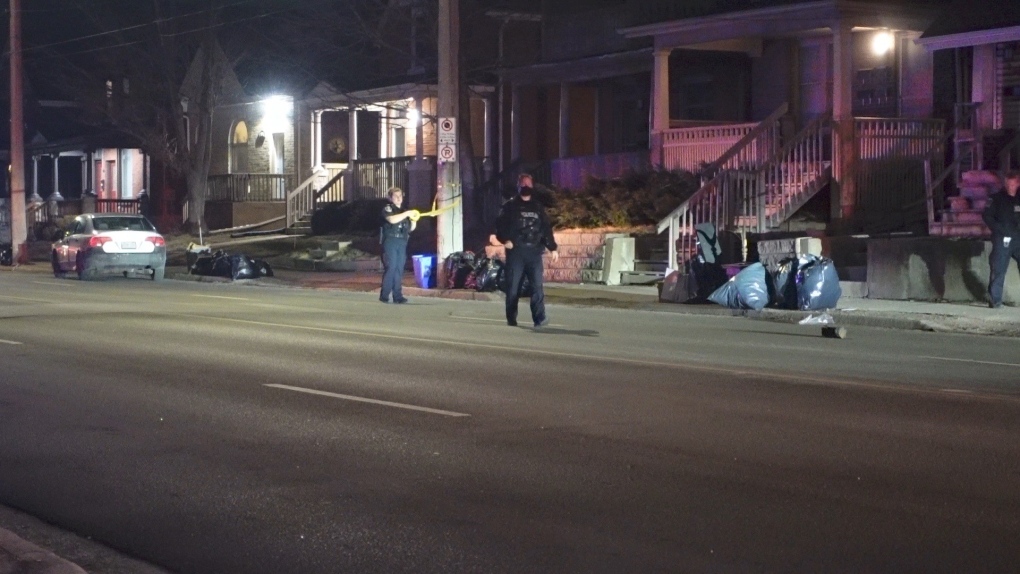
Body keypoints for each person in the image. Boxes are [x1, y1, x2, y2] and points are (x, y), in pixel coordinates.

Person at [495, 174, 559, 327]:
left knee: (537, 287)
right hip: (516, 253)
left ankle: (539, 318)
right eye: (523, 184)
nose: (526, 187)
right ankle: (511, 318)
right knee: (513, 288)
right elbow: (499, 227)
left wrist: (552, 248)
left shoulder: (538, 208)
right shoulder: (509, 207)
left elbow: (545, 229)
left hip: (534, 253)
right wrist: (505, 240)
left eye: (528, 184)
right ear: (518, 186)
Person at [982, 170, 1020, 308]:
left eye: (1013, 184)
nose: (1010, 187)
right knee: (999, 268)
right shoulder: (996, 199)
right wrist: (999, 230)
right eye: (1008, 184)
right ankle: (995, 300)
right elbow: (987, 216)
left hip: (1018, 238)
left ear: (1017, 183)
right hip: (1002, 239)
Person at [379, 187, 418, 304]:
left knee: (399, 269)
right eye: (395, 196)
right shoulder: (388, 209)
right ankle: (384, 295)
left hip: (402, 242)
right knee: (391, 267)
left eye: (400, 196)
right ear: (391, 198)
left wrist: (414, 220)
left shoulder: (405, 211)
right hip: (391, 241)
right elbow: (392, 220)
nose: (398, 198)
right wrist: (407, 214)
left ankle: (398, 296)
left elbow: (410, 228)